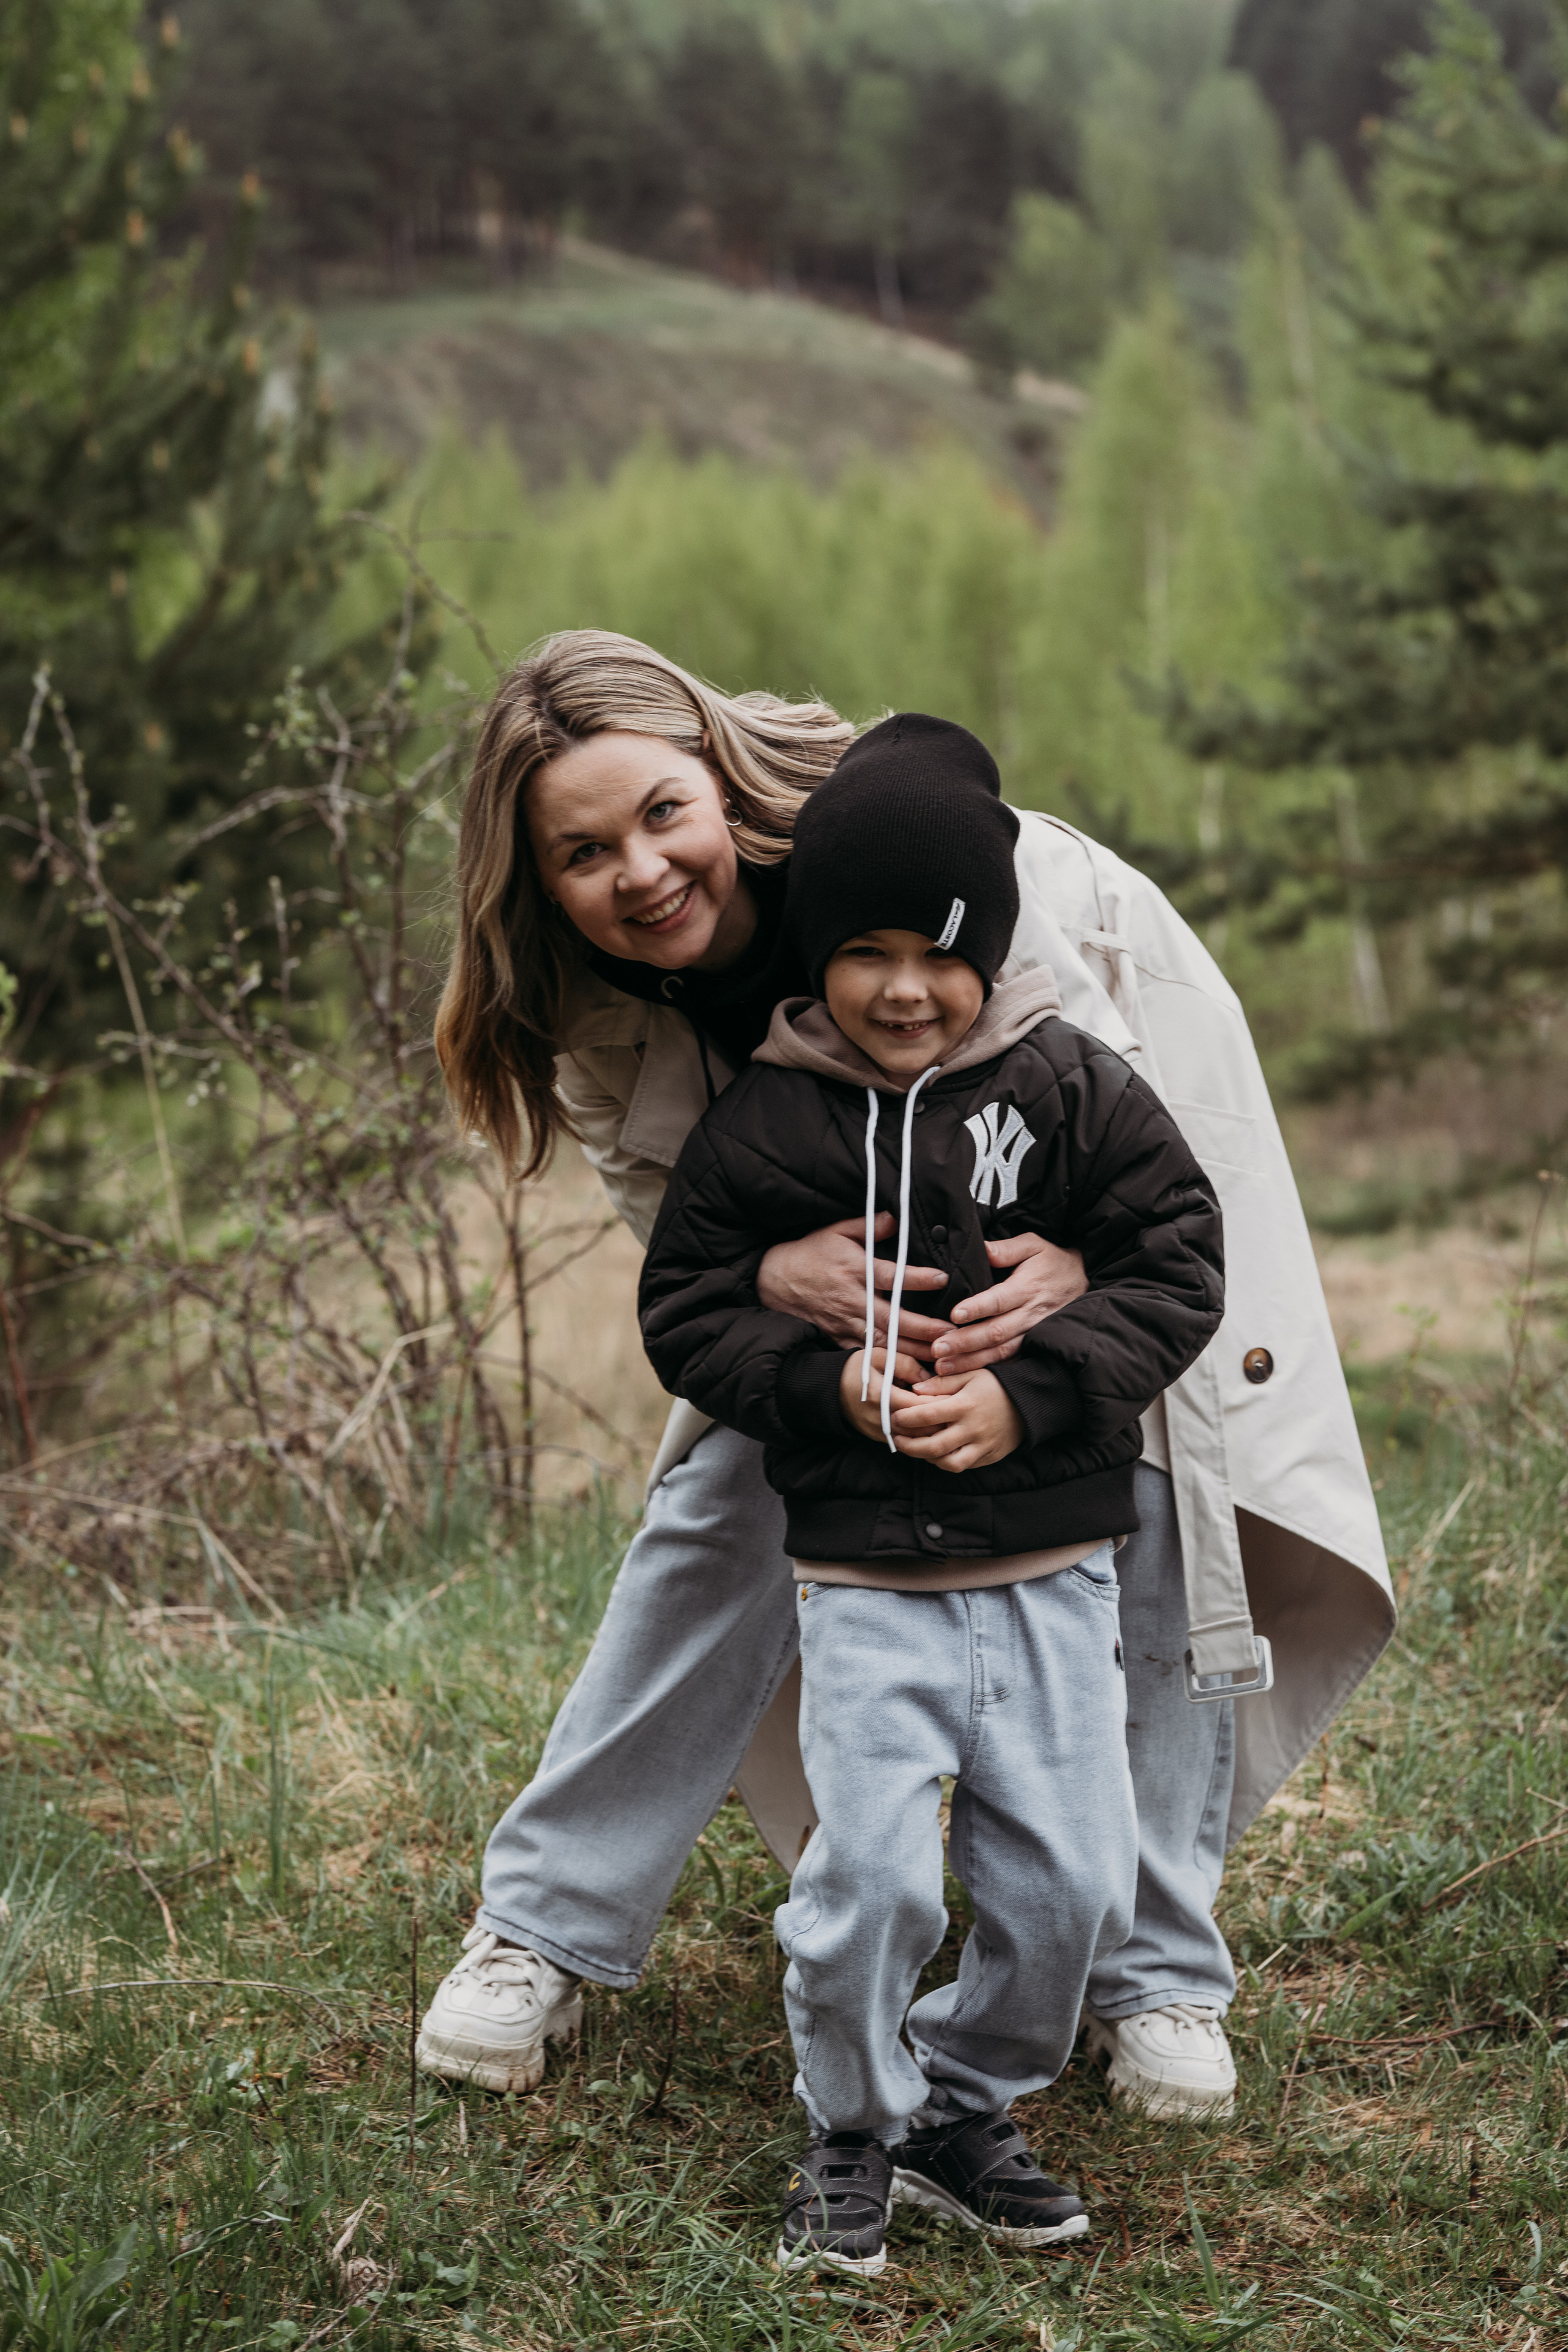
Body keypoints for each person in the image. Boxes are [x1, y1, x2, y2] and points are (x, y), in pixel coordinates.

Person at [415, 629, 1393, 2120]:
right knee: (718, 1498)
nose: (640, 873)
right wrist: (763, 1277)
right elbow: (679, 1244)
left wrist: (1070, 1270)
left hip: (1099, 1173)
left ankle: (1152, 1973)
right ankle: (541, 1925)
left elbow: (1102, 1130)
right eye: (582, 851)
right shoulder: (597, 1011)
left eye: (661, 815)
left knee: (1141, 1488)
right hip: (858, 1284)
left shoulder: (902, 859)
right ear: (535, 880)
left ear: (719, 785)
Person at [637, 714, 1226, 2275]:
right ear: (816, 953)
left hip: (1051, 1569)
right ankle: (853, 2125)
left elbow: (1179, 1259)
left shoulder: (1071, 1088)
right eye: (867, 951)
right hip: (863, 1584)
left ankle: (963, 2107)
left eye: (943, 953)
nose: (906, 988)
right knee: (871, 1878)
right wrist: (818, 1380)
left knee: (1071, 1882)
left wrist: (1034, 1389)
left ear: (995, 950)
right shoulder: (763, 1119)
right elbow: (683, 1309)